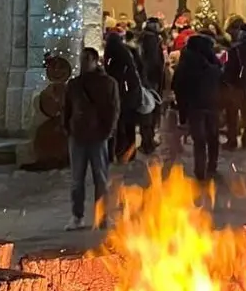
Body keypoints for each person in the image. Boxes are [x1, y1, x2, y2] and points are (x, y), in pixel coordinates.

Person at [62, 48, 120, 230]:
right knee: (76, 179)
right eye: (82, 59)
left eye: (87, 59)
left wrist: (108, 131)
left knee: (100, 178)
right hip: (78, 135)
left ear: (96, 61)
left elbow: (113, 109)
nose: (84, 63)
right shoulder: (74, 84)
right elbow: (67, 108)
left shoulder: (108, 83)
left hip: (98, 136)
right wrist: (67, 128)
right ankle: (77, 216)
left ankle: (102, 216)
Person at [174, 34, 224, 180]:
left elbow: (178, 86)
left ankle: (200, 169)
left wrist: (182, 109)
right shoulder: (212, 63)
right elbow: (222, 80)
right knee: (212, 137)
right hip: (211, 104)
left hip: (195, 106)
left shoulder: (185, 62)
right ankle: (211, 166)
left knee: (200, 139)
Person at [105, 32, 145, 163]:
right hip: (131, 94)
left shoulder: (113, 54)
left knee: (119, 125)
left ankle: (119, 152)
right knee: (130, 125)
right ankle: (130, 153)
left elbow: (112, 73)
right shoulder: (127, 52)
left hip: (121, 95)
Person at [222, 23, 246, 151]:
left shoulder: (236, 48)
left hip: (236, 84)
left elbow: (229, 68)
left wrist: (226, 81)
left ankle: (232, 140)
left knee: (232, 113)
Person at [138, 19, 167, 155]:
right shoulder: (152, 40)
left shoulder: (144, 38)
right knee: (149, 111)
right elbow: (154, 62)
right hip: (150, 81)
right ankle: (147, 142)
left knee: (146, 110)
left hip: (146, 80)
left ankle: (147, 140)